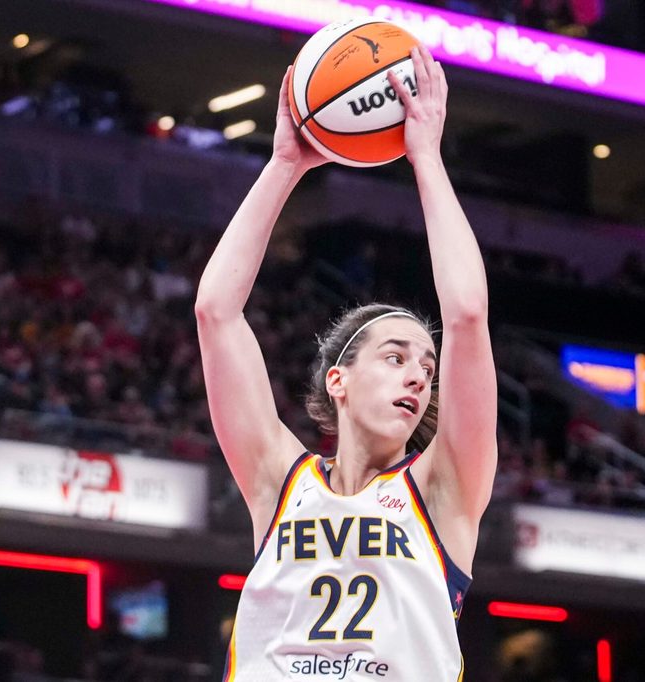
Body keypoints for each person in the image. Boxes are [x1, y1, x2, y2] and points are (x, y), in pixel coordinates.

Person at [195, 48, 497, 681]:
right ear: (339, 380)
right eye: (395, 357)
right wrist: (284, 164)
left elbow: (467, 313)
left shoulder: (444, 488)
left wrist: (426, 160)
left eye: (427, 365)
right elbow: (216, 313)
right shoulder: (279, 481)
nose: (419, 374)